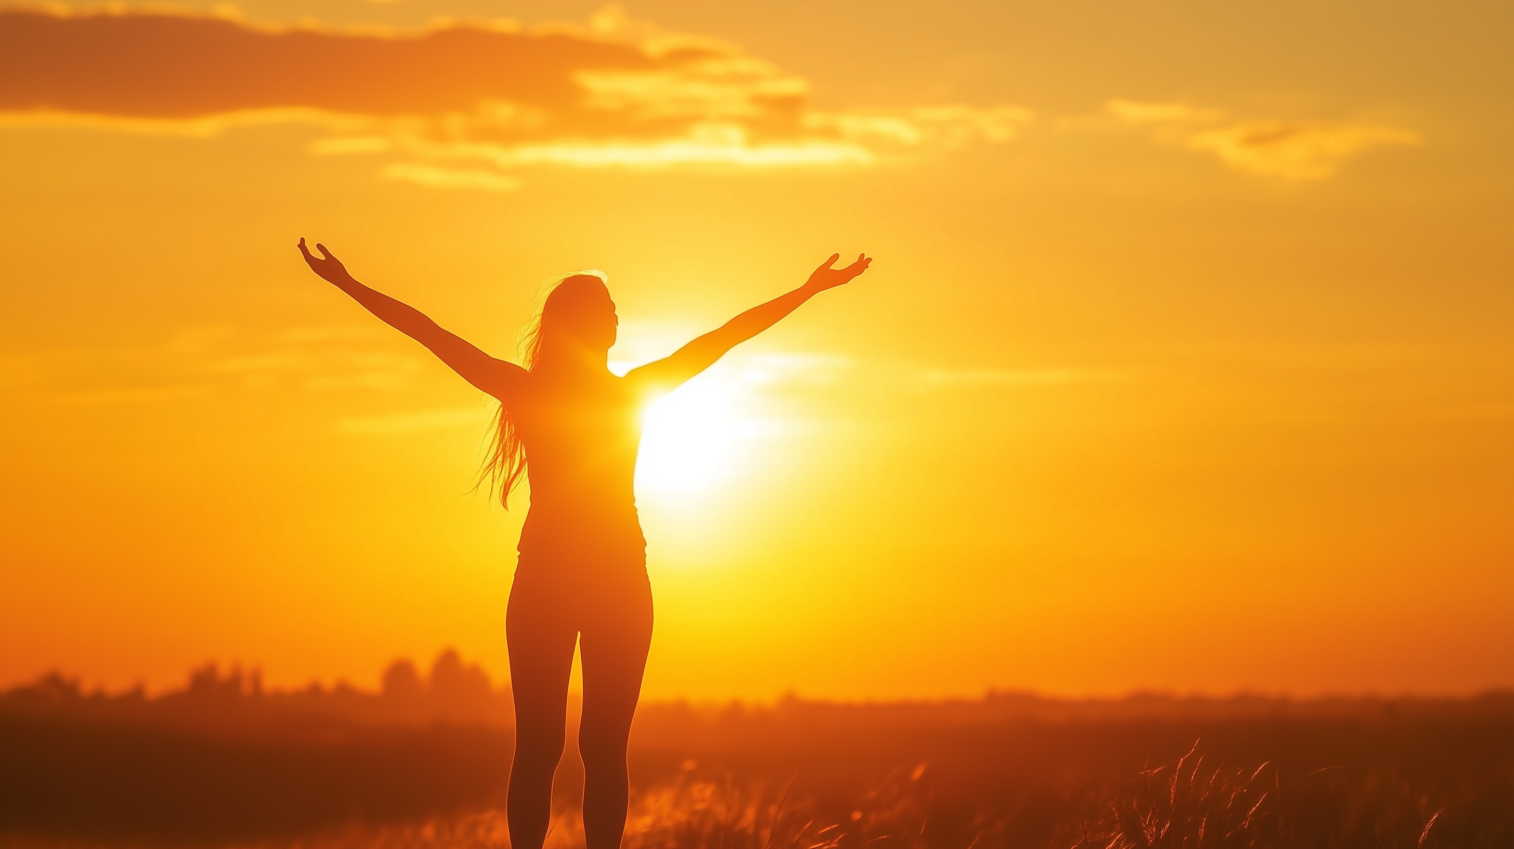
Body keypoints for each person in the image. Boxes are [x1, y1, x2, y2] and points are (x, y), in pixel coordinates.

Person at [297, 239, 872, 849]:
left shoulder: (557, 390)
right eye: (609, 307)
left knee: (575, 747)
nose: (620, 316)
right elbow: (430, 333)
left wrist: (807, 290)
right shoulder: (602, 391)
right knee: (562, 746)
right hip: (594, 575)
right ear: (585, 325)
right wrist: (349, 285)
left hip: (586, 576)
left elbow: (723, 337)